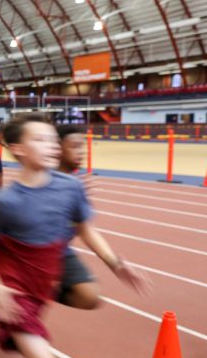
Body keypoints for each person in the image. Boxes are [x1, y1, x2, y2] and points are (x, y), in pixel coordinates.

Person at [0, 114, 149, 358]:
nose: (52, 146)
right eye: (40, 139)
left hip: (43, 287)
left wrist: (116, 264)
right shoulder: (5, 202)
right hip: (17, 292)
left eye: (53, 140)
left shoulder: (71, 187)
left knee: (10, 353)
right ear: (18, 149)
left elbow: (86, 229)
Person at [54, 124, 149, 310]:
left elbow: (86, 230)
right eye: (74, 146)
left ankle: (37, 290)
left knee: (89, 297)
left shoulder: (76, 186)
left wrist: (116, 265)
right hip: (32, 250)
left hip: (60, 252)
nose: (81, 152)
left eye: (82, 146)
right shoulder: (41, 179)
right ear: (58, 149)